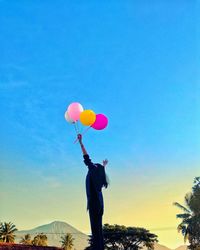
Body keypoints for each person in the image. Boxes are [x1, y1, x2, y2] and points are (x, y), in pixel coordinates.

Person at [77, 134, 108, 250]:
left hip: (94, 203)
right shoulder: (100, 177)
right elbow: (102, 172)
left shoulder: (93, 169)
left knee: (95, 229)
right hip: (100, 204)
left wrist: (81, 143)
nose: (94, 164)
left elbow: (86, 157)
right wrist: (104, 166)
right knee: (98, 229)